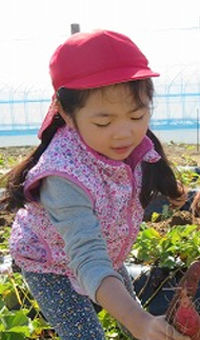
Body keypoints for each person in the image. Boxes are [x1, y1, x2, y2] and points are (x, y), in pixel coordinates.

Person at [1, 30, 189, 340]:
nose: (124, 133)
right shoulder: (61, 175)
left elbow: (148, 152)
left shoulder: (128, 142)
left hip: (105, 255)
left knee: (137, 319)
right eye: (104, 122)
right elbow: (87, 256)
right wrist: (139, 321)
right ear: (66, 114)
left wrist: (170, 189)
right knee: (92, 334)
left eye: (137, 115)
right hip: (52, 266)